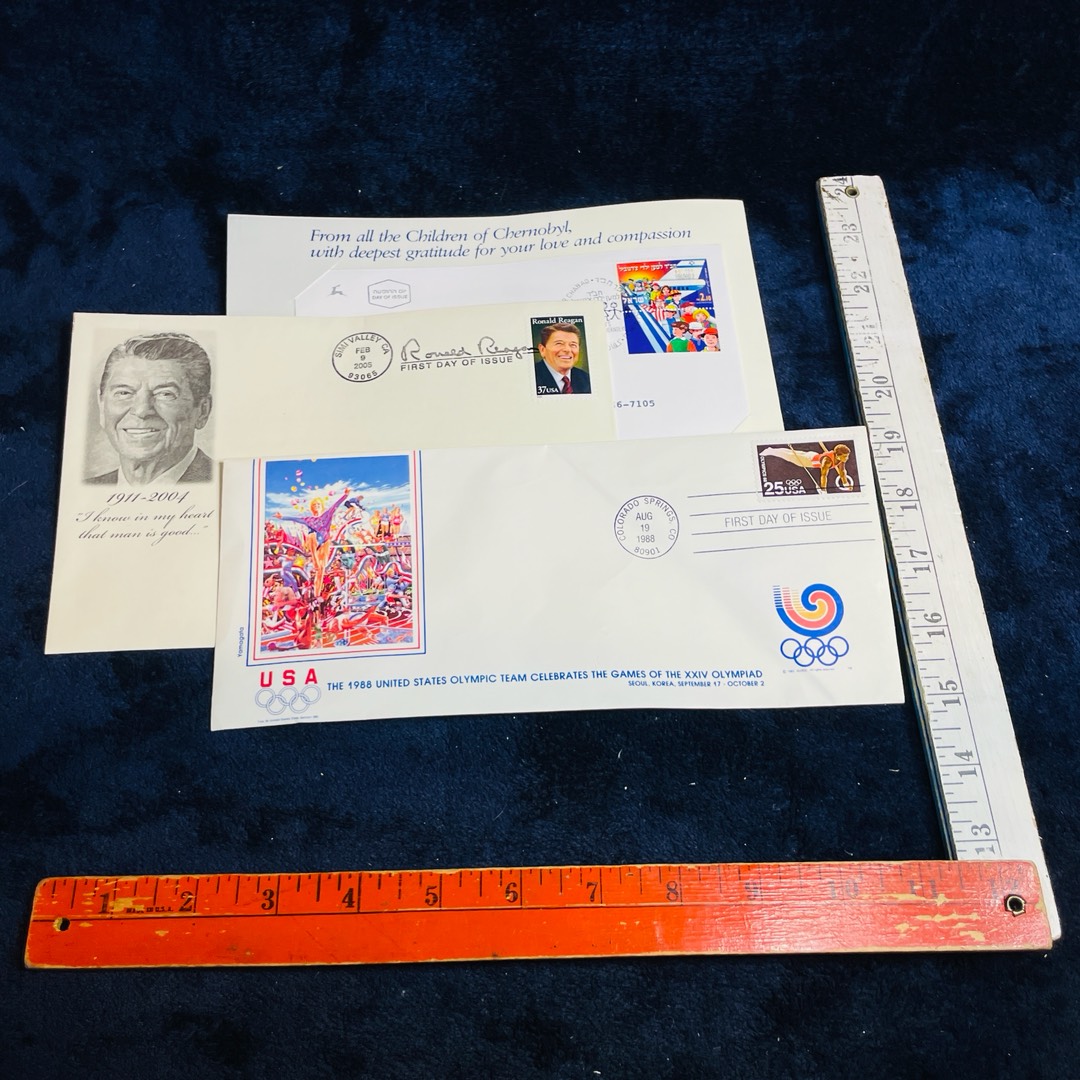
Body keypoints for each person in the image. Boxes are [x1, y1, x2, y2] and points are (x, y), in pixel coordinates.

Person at [87, 332, 213, 485]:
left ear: (203, 411)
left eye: (165, 394)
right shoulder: (88, 488)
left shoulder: (226, 483)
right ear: (102, 407)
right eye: (124, 393)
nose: (141, 411)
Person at [534, 322, 591, 395]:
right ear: (542, 350)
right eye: (559, 343)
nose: (567, 349)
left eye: (573, 345)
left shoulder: (586, 379)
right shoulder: (530, 377)